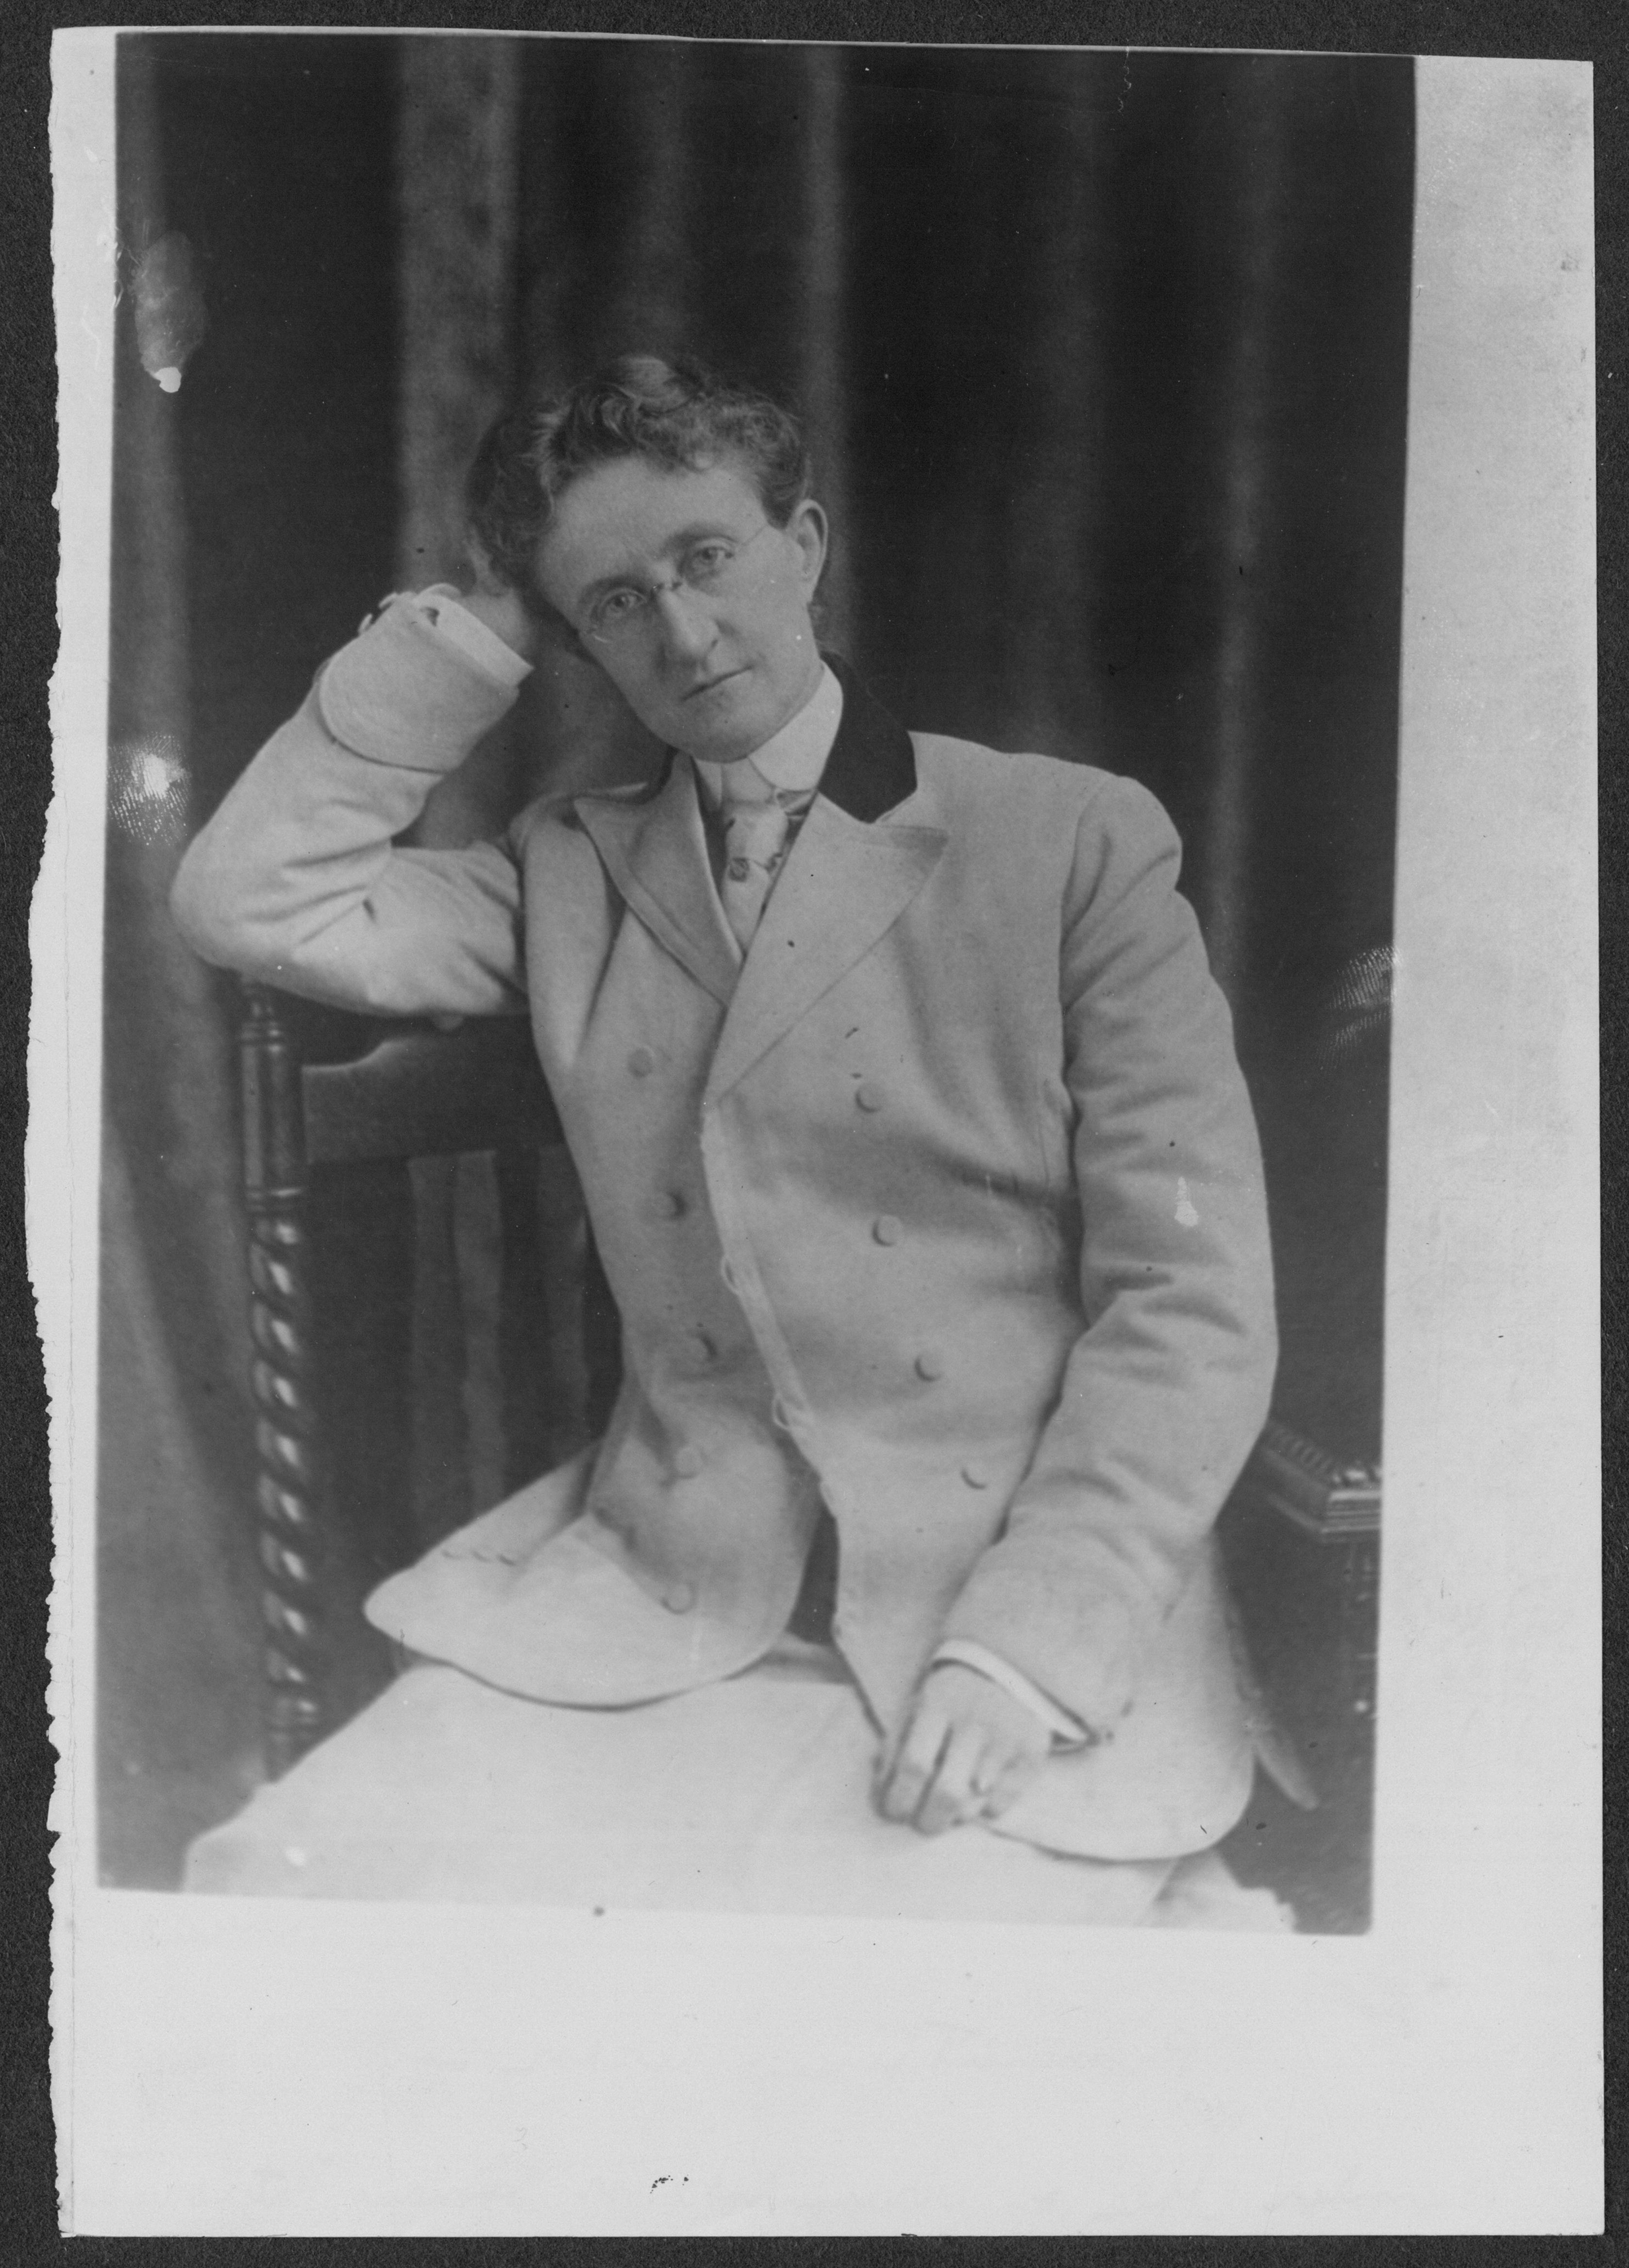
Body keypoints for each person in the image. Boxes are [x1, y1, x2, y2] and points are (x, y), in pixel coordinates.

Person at [171, 355, 1288, 1925]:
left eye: (706, 558)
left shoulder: (1067, 841)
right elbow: (248, 902)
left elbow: (1191, 1300)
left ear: (804, 545)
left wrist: (1027, 1646)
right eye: (615, 604)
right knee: (294, 1898)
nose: (684, 634)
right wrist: (478, 624)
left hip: (1008, 1602)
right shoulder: (567, 871)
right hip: (672, 1594)